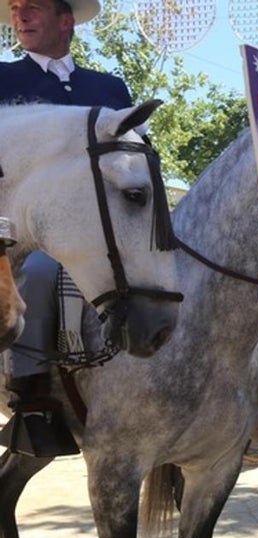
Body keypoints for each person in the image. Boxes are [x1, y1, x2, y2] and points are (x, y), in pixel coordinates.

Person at [0, 0, 131, 458]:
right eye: (16, 9)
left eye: (32, 7)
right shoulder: (3, 78)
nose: (21, 16)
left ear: (65, 19)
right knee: (38, 270)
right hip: (26, 223)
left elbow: (132, 154)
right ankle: (33, 398)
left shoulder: (109, 87)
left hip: (104, 221)